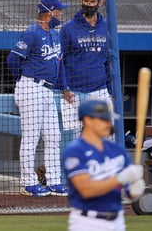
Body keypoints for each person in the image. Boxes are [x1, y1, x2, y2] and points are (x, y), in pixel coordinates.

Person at [7, 0, 69, 197]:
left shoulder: (54, 34)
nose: (60, 15)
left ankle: (53, 181)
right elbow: (13, 59)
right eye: (58, 11)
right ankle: (28, 182)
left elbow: (58, 64)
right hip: (31, 87)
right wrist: (23, 80)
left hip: (49, 91)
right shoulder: (31, 33)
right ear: (48, 12)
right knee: (31, 138)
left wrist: (64, 87)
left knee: (54, 136)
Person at [62, 98, 145, 231]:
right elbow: (86, 190)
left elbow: (129, 190)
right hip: (86, 223)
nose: (109, 124)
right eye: (104, 120)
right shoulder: (75, 151)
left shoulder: (117, 150)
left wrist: (136, 189)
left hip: (118, 222)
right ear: (88, 120)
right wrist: (120, 178)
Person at [59, 0, 113, 138]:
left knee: (105, 138)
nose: (88, 4)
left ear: (100, 2)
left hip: (100, 90)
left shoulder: (107, 27)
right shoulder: (68, 28)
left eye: (92, 1)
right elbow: (59, 60)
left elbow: (109, 60)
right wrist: (64, 87)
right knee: (75, 141)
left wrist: (111, 91)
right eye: (86, 1)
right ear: (81, 0)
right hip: (74, 92)